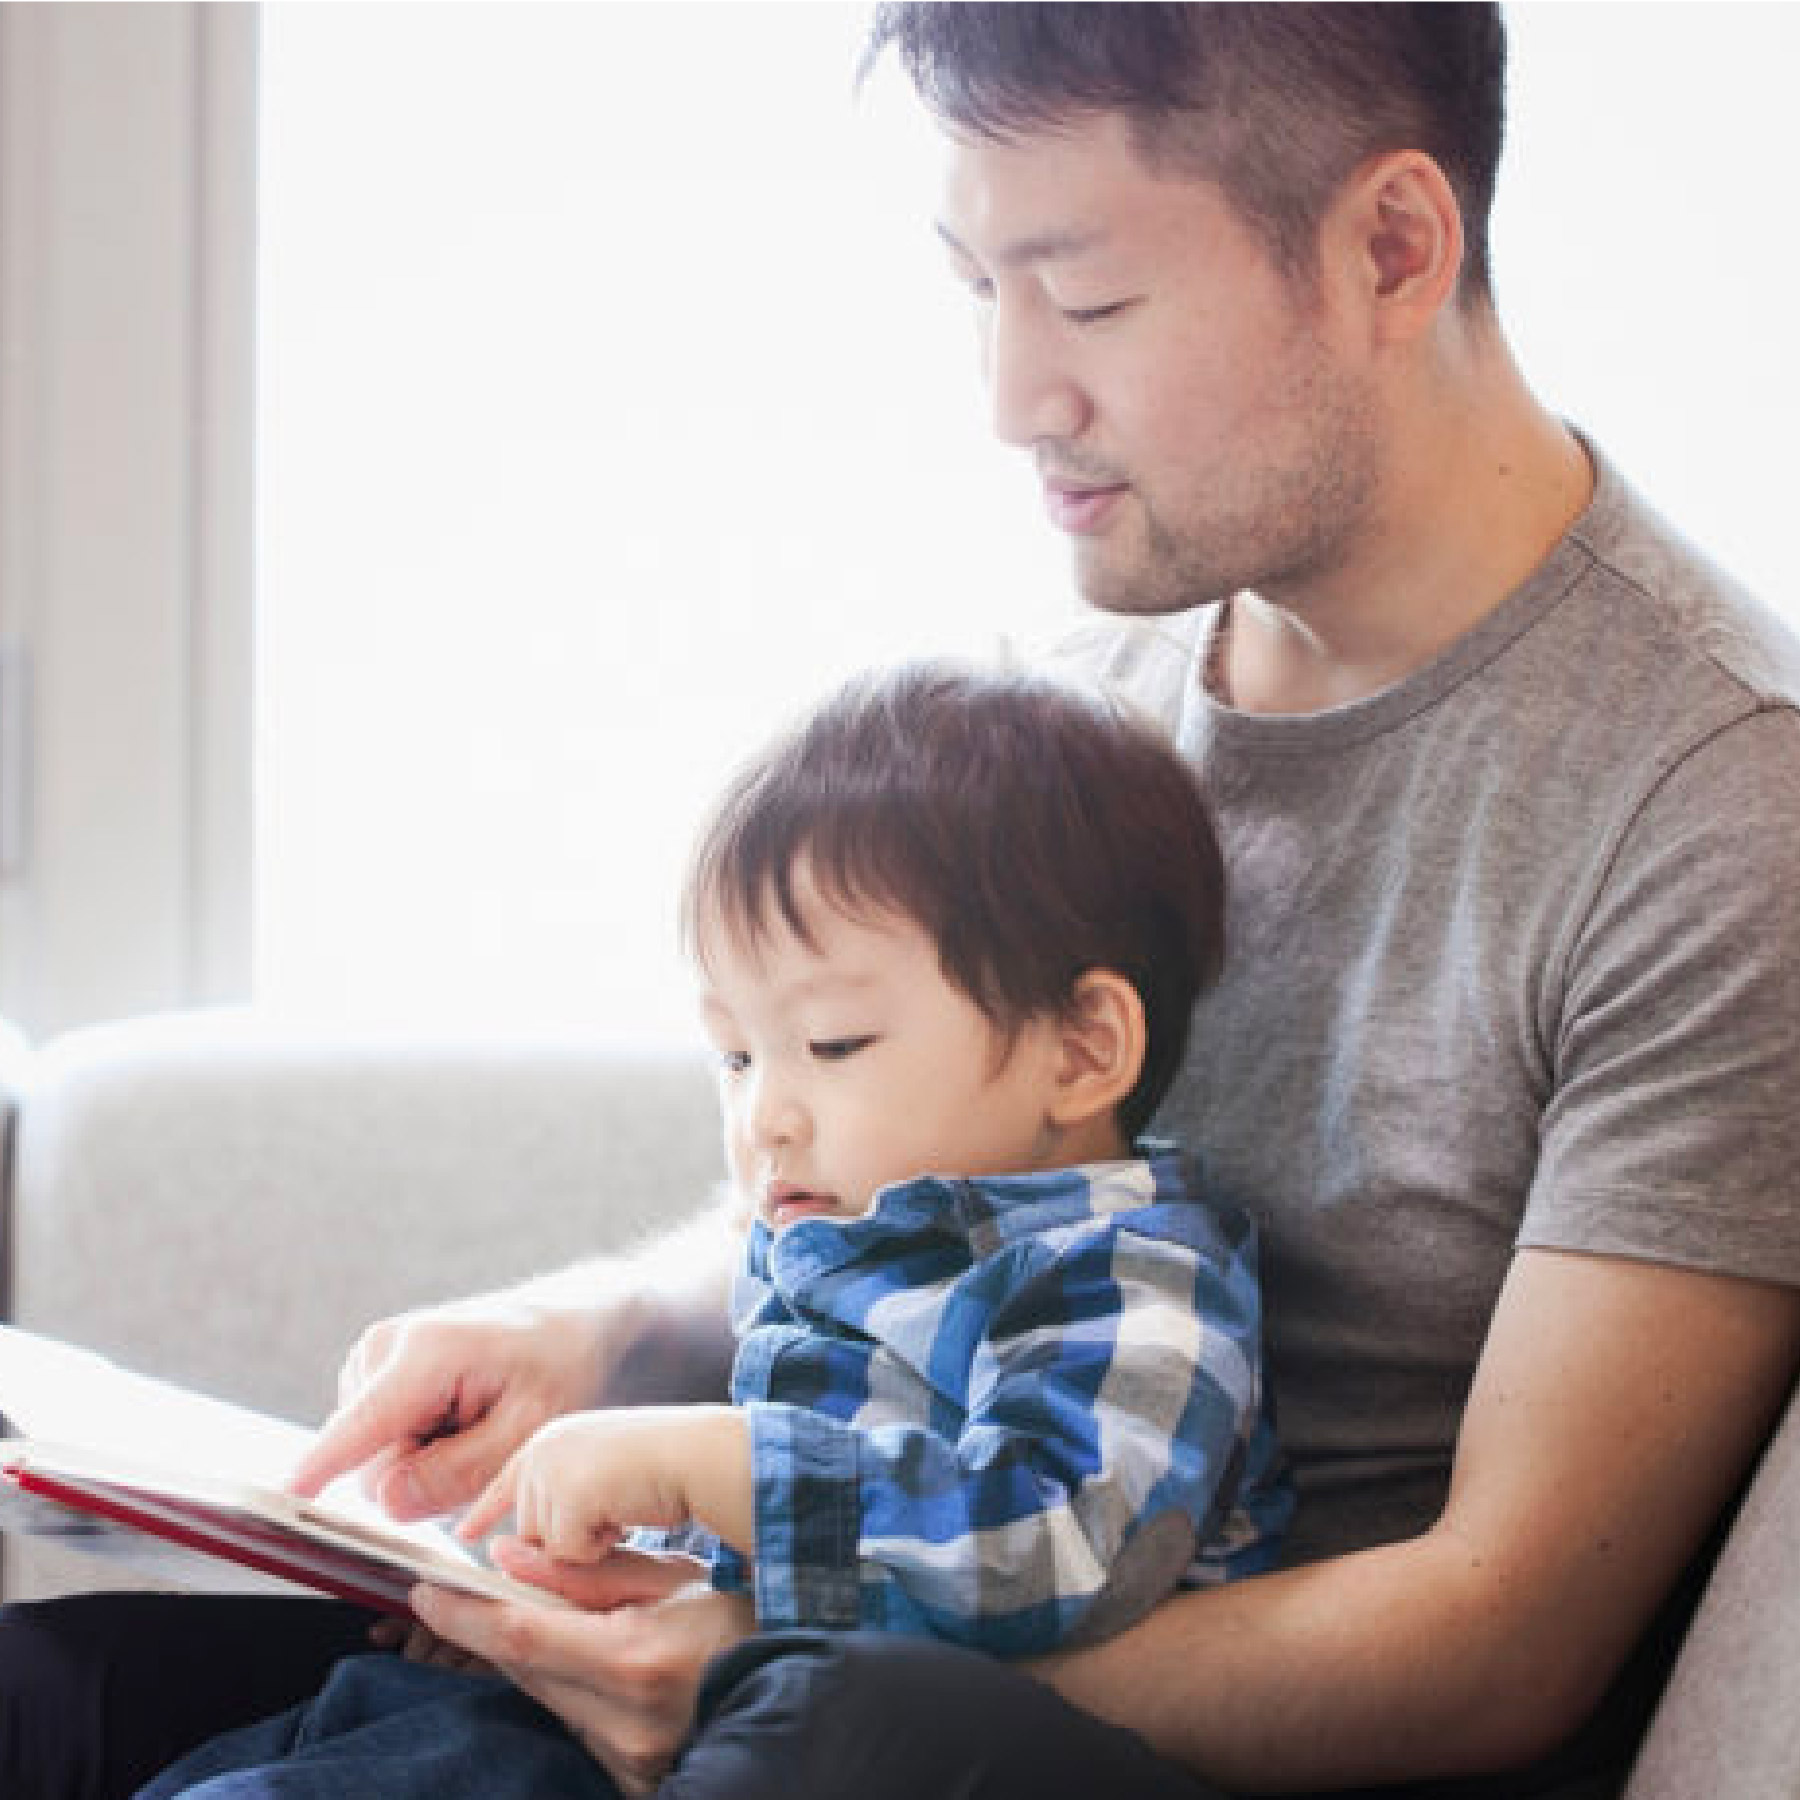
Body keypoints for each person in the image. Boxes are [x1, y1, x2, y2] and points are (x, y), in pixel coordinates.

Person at [4, 5, 1799, 1798]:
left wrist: (762, 1663)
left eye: (1087, 299)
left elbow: (1503, 1644)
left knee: (822, 1738)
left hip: (1123, 1735)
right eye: (977, 289)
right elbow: (926, 1199)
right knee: (83, 1679)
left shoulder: (1713, 805)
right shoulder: (1093, 692)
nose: (1014, 398)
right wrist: (593, 1336)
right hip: (843, 1638)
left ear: (1391, 247)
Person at [128, 661, 1291, 1799]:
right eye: (734, 1056)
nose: (763, 1117)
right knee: (271, 1729)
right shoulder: (839, 1239)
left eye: (831, 1045)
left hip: (914, 1756)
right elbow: (786, 1566)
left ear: (1082, 1050)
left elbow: (1056, 1543)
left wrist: (708, 1465)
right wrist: (549, 1598)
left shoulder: (1130, 1281)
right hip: (681, 1713)